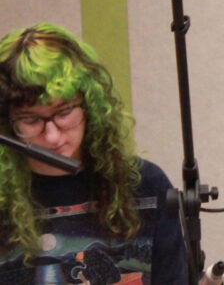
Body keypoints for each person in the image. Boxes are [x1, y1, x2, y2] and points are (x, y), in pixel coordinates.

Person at [0, 23, 187, 284]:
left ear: (89, 105)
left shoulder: (145, 186)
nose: (52, 136)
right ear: (8, 123)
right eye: (30, 120)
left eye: (64, 113)